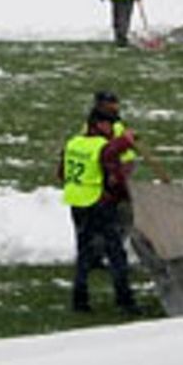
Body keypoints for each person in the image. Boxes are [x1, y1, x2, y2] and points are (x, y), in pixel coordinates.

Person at [59, 108, 139, 314]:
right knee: (116, 254)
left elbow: (61, 173)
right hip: (100, 204)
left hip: (76, 203)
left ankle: (80, 301)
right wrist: (127, 196)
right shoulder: (101, 146)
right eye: (109, 124)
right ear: (99, 125)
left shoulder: (73, 143)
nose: (112, 128)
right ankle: (125, 301)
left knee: (84, 255)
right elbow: (114, 172)